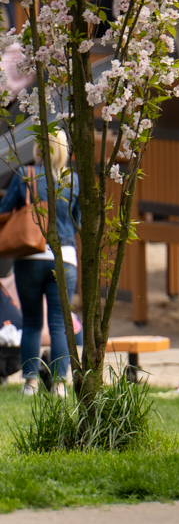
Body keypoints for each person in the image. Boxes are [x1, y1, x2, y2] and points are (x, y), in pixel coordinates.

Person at [0, 130, 78, 396]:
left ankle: (30, 383)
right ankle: (59, 385)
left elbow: (5, 210)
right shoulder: (72, 181)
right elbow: (78, 221)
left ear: (38, 148)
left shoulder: (26, 175)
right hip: (64, 258)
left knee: (32, 322)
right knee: (60, 324)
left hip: (30, 256)